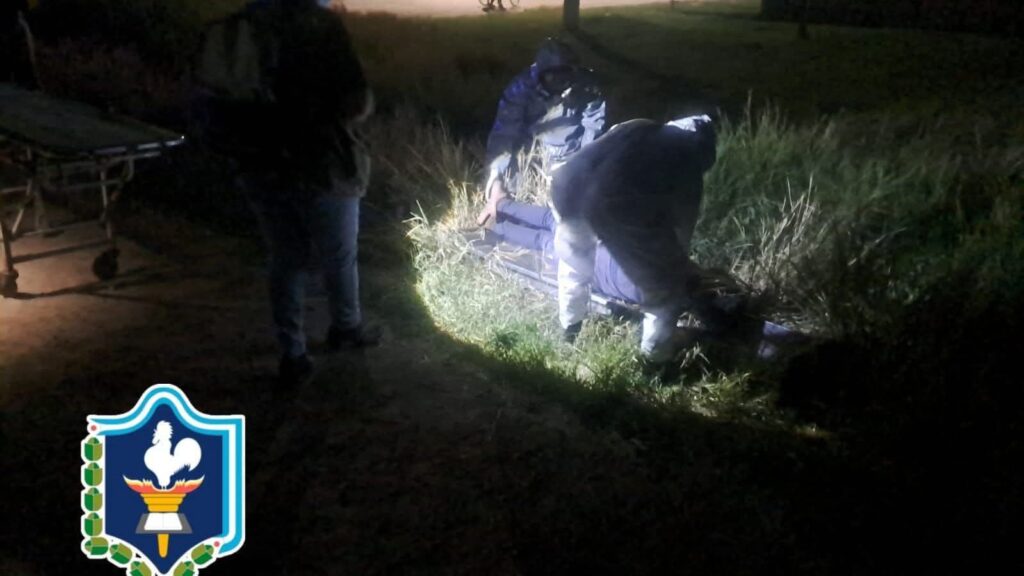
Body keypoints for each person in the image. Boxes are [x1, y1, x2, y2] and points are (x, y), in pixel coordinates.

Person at [192, 0, 379, 385]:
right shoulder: (320, 25)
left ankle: (292, 354)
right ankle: (346, 328)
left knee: (286, 258)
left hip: (258, 165)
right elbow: (356, 101)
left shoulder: (238, 26)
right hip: (319, 163)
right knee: (339, 255)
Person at [551, 115, 730, 361]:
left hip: (567, 185)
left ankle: (569, 334)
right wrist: (685, 273)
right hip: (613, 201)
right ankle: (653, 363)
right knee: (666, 290)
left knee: (574, 263)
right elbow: (680, 233)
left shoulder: (637, 125)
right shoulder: (688, 156)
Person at [481, 38, 605, 209]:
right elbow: (504, 134)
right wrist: (497, 175)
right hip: (532, 157)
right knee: (512, 193)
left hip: (572, 156)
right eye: (551, 77)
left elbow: (594, 125)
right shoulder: (520, 89)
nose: (559, 83)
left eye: (565, 75)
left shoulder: (587, 86)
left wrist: (584, 163)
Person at [478, 192, 643, 307]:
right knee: (543, 240)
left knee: (550, 219)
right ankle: (495, 225)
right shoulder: (651, 292)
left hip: (596, 243)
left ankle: (500, 205)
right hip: (586, 266)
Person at [0, 0, 39, 89]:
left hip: (10, 23)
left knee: (12, 49)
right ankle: (20, 76)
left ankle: (11, 74)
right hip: (12, 23)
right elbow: (24, 7)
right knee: (15, 49)